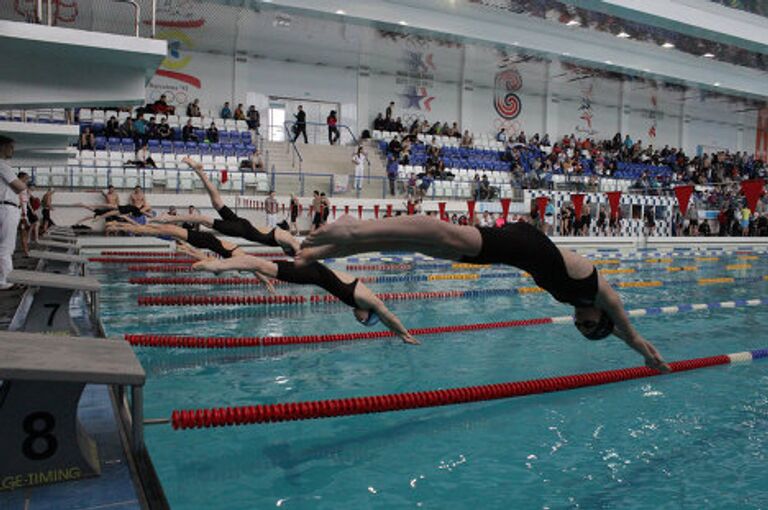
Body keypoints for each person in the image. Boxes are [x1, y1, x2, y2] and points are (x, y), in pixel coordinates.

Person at [298, 215, 671, 371]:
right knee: (442, 235)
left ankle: (330, 250)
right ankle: (354, 227)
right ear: (601, 317)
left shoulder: (583, 304)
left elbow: (614, 331)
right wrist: (646, 355)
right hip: (525, 246)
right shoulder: (605, 296)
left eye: (582, 330)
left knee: (433, 247)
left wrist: (629, 344)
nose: (581, 326)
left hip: (514, 253)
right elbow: (630, 332)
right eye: (589, 327)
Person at [193, 255, 419, 344]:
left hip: (313, 273)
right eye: (363, 321)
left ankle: (220, 267)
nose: (357, 320)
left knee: (260, 265)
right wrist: (403, 334)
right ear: (367, 314)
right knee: (258, 264)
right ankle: (217, 267)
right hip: (312, 273)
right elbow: (387, 315)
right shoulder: (367, 300)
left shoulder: (358, 300)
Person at [153, 158, 300, 255]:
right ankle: (170, 218)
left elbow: (295, 247)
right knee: (205, 220)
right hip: (242, 229)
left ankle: (200, 172)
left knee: (217, 203)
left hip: (243, 224)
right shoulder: (286, 239)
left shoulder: (282, 241)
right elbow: (297, 247)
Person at [0, 138, 26, 290]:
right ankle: (5, 281)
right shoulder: (3, 165)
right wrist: (22, 185)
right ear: (2, 147)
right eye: (10, 147)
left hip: (5, 207)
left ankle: (5, 278)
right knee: (6, 247)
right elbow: (19, 186)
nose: (12, 150)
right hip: (6, 208)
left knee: (4, 246)